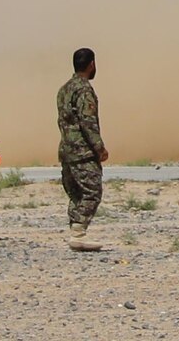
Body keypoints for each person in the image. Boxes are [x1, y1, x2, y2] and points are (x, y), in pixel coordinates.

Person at [56, 47, 108, 251]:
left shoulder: (64, 89)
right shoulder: (84, 90)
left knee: (76, 193)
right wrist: (99, 148)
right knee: (92, 192)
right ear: (91, 64)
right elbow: (88, 122)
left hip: (66, 149)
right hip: (82, 151)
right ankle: (78, 232)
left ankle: (75, 232)